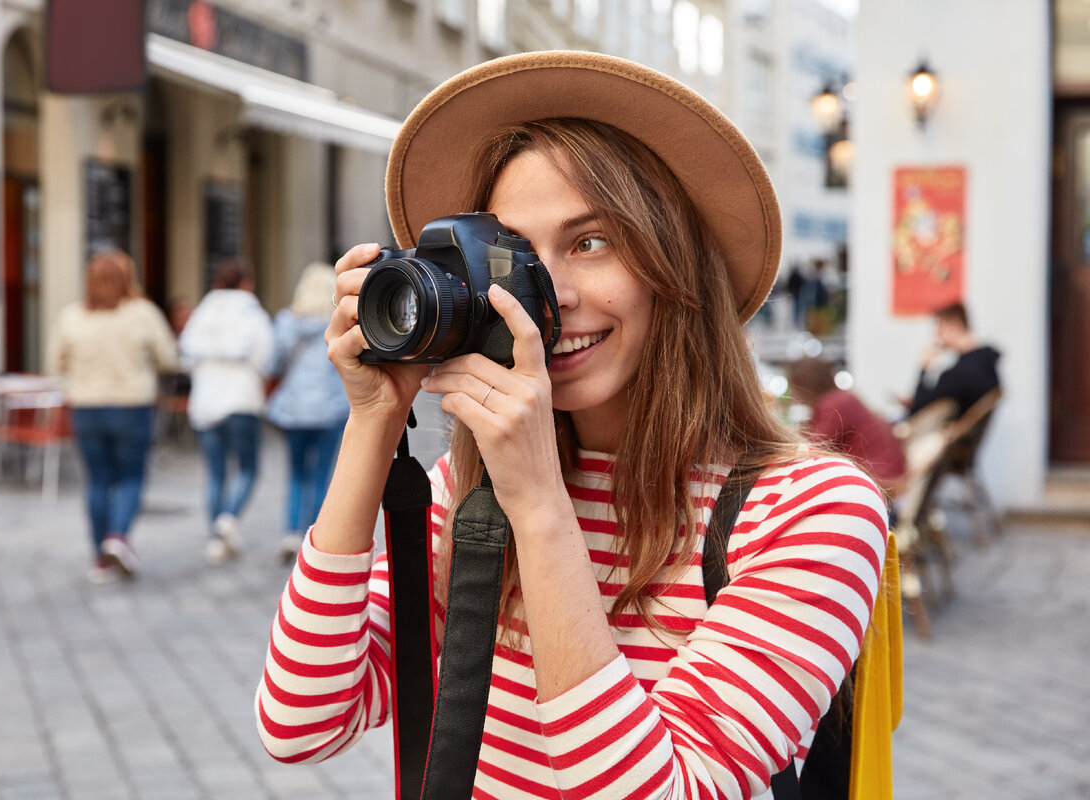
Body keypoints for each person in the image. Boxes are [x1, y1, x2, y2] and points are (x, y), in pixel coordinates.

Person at [255, 51, 888, 799]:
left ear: (676, 270)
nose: (546, 298)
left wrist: (539, 505)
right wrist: (374, 419)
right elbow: (301, 721)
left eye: (591, 242)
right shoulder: (467, 490)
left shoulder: (813, 512)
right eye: (514, 255)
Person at [47, 249, 178, 584]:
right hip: (132, 406)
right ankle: (118, 537)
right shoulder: (142, 313)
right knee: (131, 477)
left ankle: (99, 558)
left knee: (98, 481)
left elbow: (55, 361)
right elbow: (167, 357)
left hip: (87, 407)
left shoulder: (72, 316)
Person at [179, 259, 275, 564]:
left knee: (216, 473)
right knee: (248, 468)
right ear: (246, 283)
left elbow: (185, 357)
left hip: (205, 403)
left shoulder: (202, 313)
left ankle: (216, 538)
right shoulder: (252, 314)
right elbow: (266, 358)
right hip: (241, 401)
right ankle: (228, 520)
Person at [265, 263, 350, 563]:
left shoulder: (287, 323)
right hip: (330, 409)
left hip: (294, 410)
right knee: (321, 475)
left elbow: (271, 364)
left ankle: (291, 531)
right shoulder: (340, 321)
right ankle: (314, 536)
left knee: (297, 473)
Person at [788, 356, 908, 499]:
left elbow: (813, 449)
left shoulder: (833, 405)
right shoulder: (841, 398)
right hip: (887, 470)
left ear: (804, 385)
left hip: (879, 478)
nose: (794, 394)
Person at [906, 301, 1001, 417]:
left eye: (940, 330)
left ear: (955, 326)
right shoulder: (984, 362)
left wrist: (924, 368)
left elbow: (918, 407)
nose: (936, 337)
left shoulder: (962, 373)